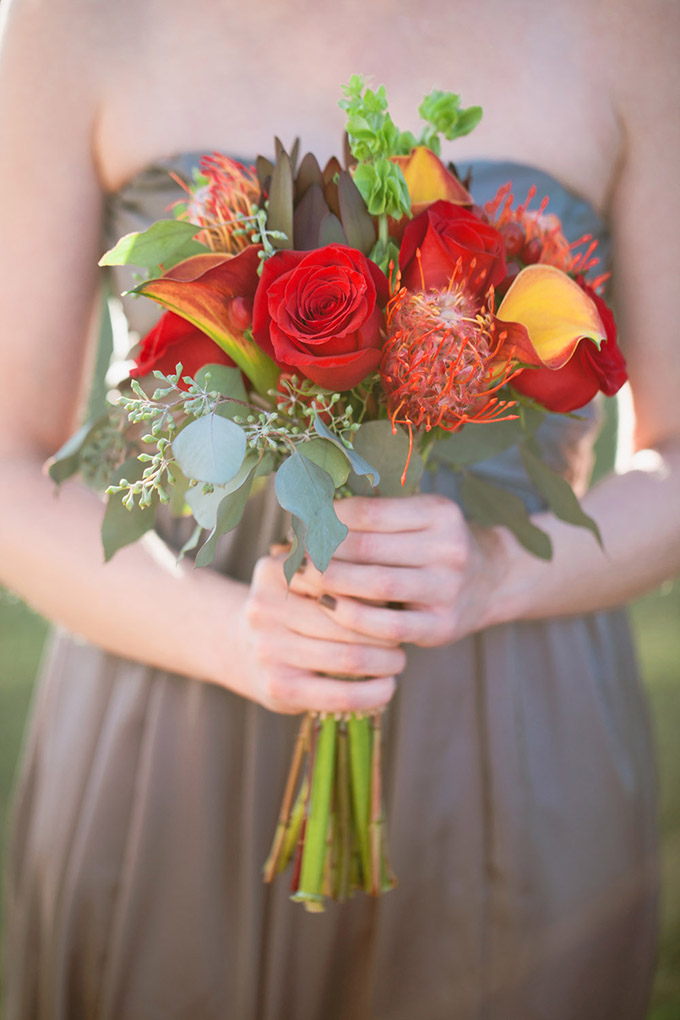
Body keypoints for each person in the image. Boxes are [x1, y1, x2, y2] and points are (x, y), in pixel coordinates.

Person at [1, 0, 678, 1017]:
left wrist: (498, 575)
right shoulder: (79, 22)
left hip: (512, 722)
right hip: (167, 718)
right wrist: (231, 636)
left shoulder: (634, 26)